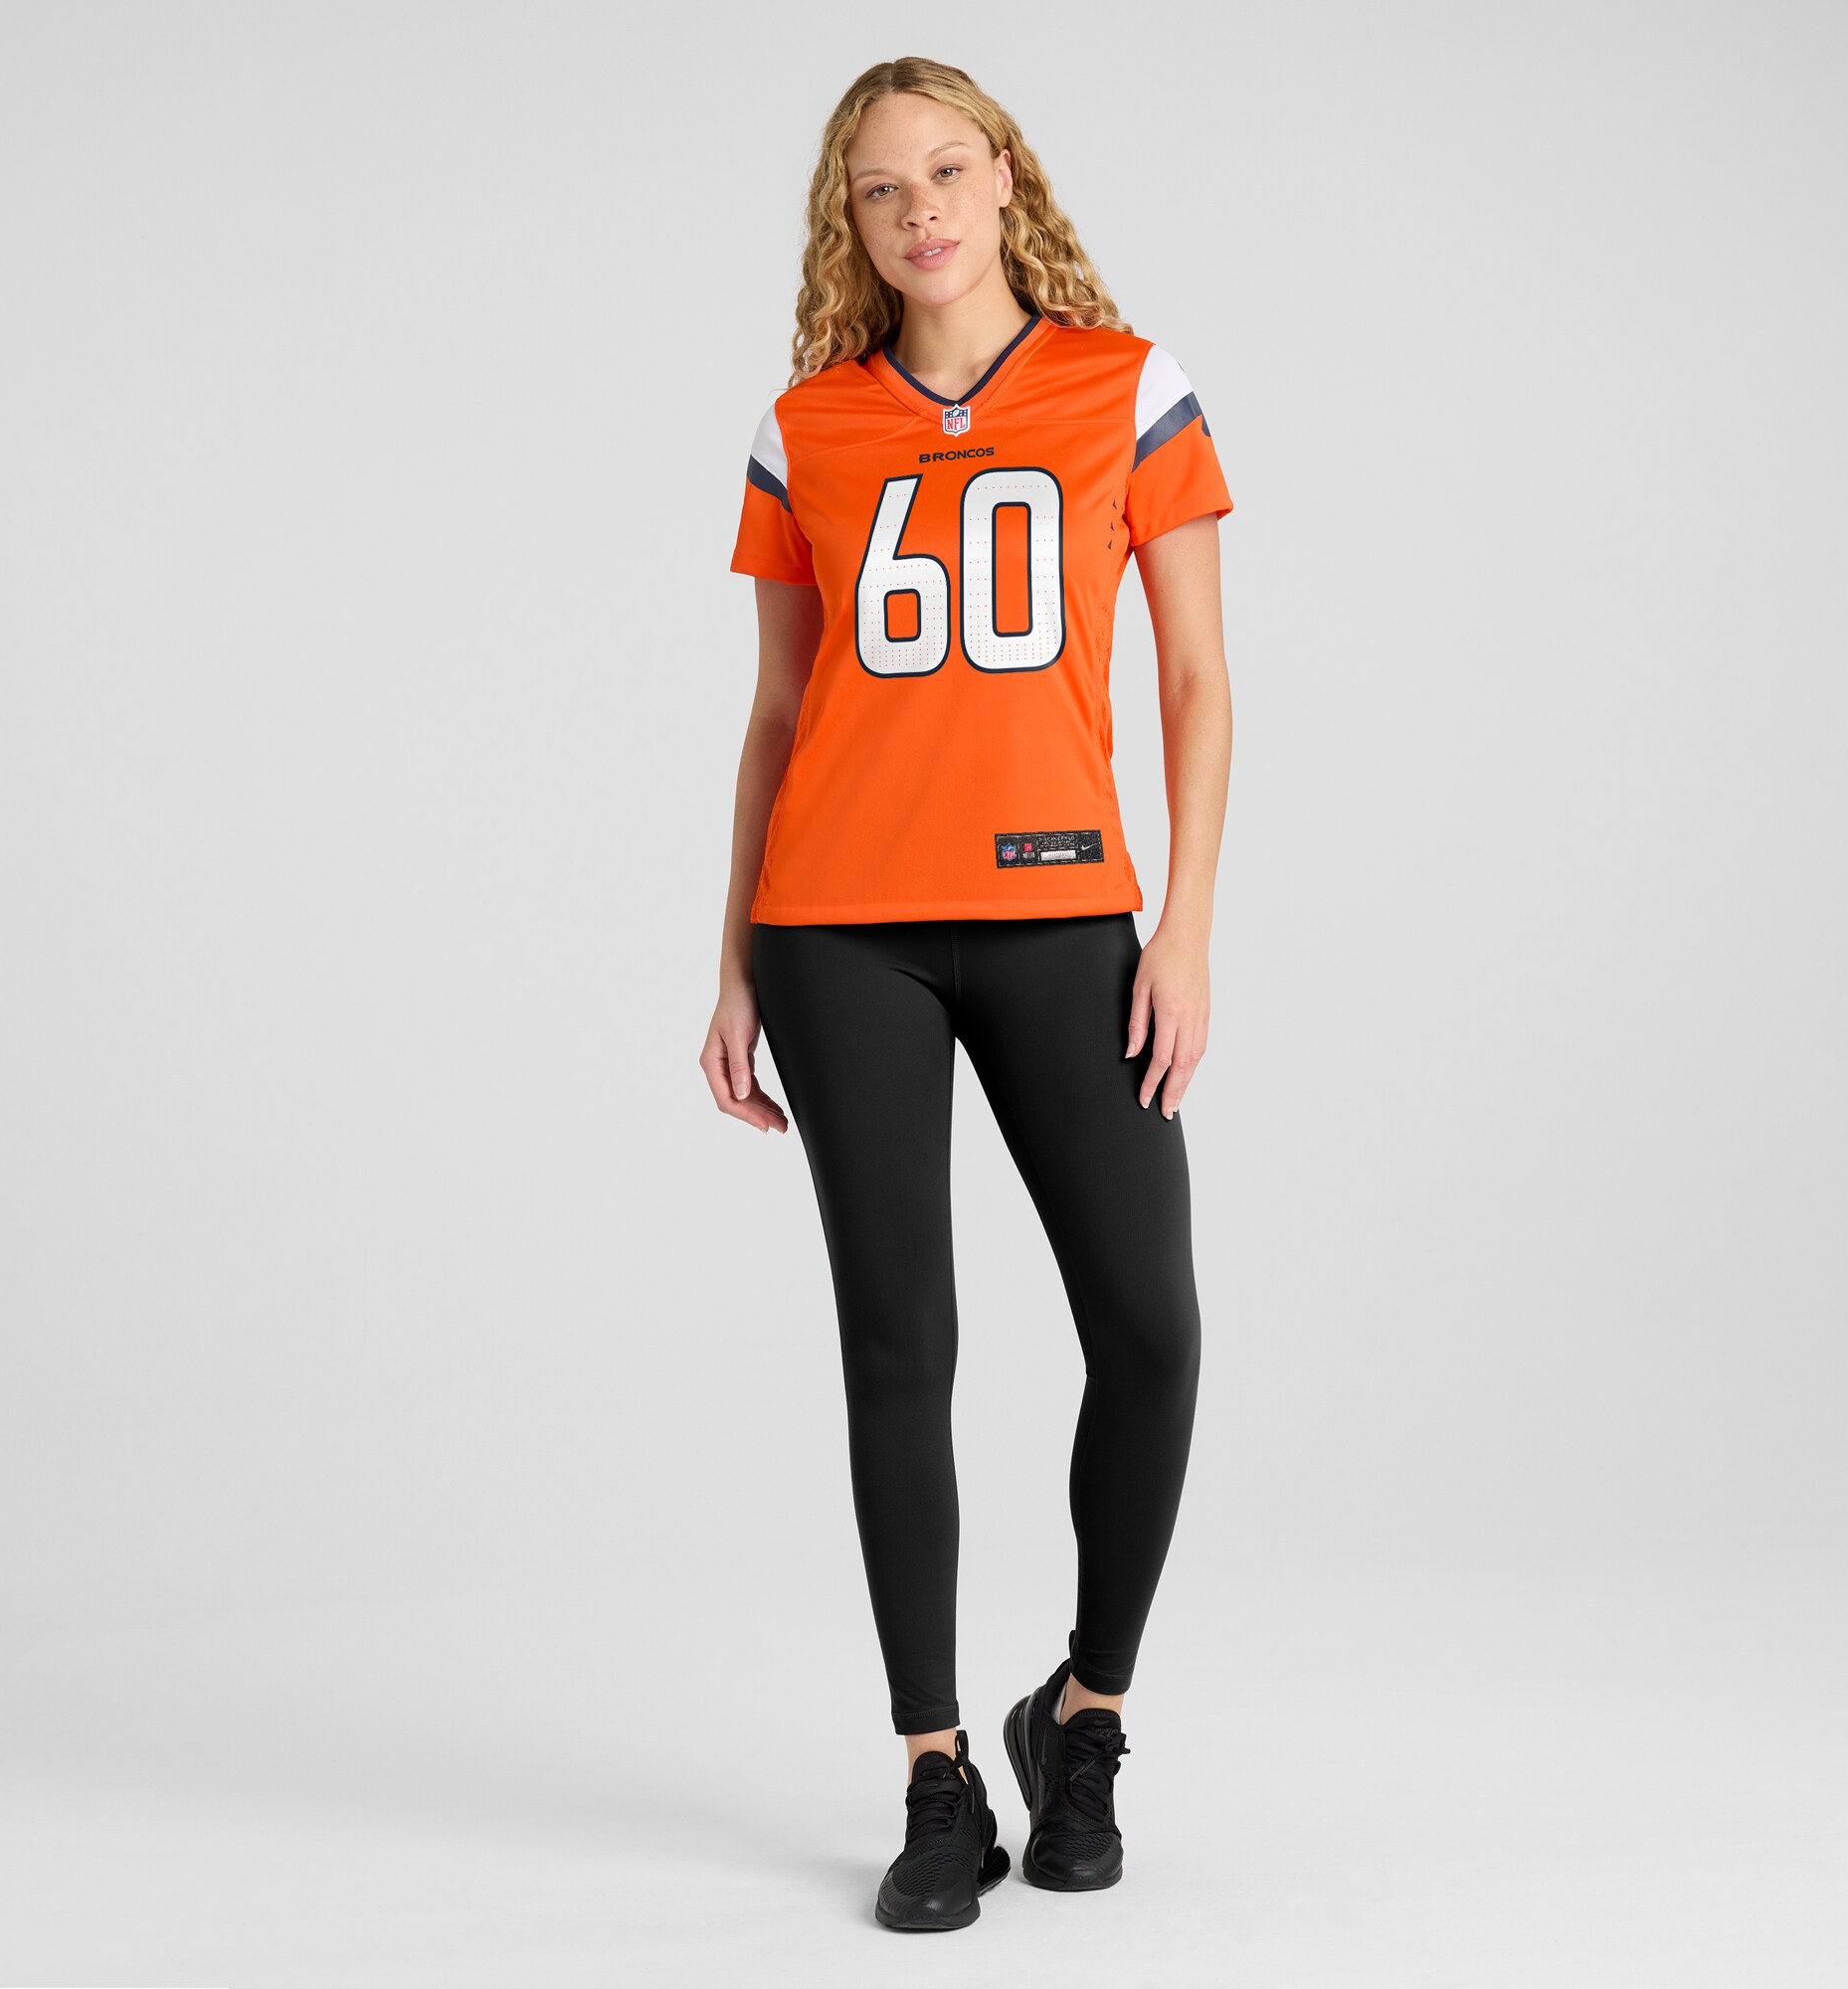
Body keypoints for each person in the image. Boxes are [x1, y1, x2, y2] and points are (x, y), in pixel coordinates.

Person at [700, 56, 1233, 1933]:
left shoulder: (1126, 387)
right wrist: (733, 956)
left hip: (1062, 918)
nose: (917, 209)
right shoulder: (806, 426)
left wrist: (1182, 929)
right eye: (878, 187)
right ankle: (935, 1773)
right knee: (899, 1345)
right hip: (838, 931)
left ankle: (1080, 1715)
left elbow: (1194, 679)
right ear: (846, 222)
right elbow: (781, 707)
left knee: (1150, 1328)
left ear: (1005, 177)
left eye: (945, 169)